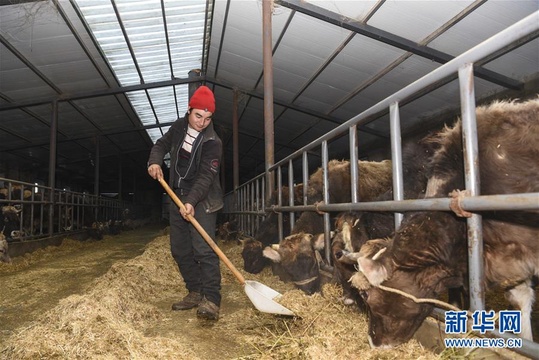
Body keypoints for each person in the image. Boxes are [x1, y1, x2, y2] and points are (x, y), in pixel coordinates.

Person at [147, 85, 224, 320]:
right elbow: (160, 144)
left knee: (203, 249)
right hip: (176, 194)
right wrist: (155, 162)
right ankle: (195, 290)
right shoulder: (179, 127)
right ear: (189, 110)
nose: (202, 122)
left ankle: (211, 299)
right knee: (179, 249)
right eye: (198, 116)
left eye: (207, 118)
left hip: (203, 199)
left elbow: (206, 177)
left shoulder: (213, 141)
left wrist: (190, 202)